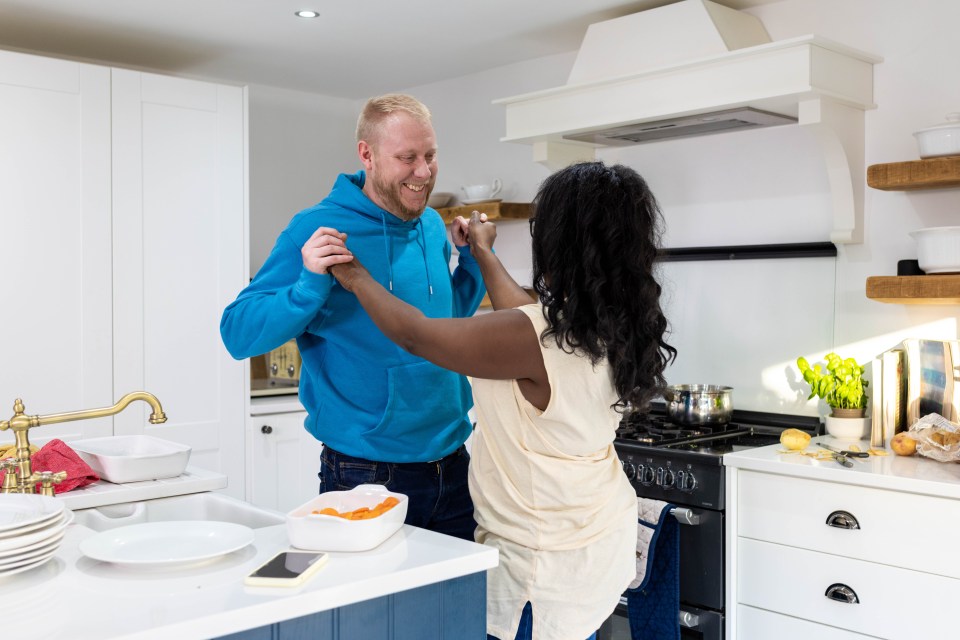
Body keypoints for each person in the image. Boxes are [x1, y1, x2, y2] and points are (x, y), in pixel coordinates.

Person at [329, 160, 678, 640]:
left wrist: (355, 277)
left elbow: (416, 336)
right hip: (592, 546)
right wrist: (483, 252)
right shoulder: (611, 327)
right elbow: (521, 311)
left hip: (536, 571)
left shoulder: (529, 338)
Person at [220, 94, 487, 541]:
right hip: (366, 473)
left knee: (453, 611)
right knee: (374, 613)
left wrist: (474, 260)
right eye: (407, 158)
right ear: (367, 154)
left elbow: (443, 328)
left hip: (454, 464)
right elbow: (237, 333)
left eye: (430, 156)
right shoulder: (316, 227)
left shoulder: (428, 225)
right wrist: (307, 284)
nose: (423, 172)